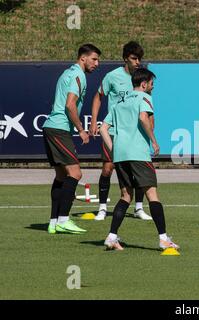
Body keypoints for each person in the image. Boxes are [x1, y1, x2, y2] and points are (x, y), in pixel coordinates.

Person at [99, 68, 179, 251]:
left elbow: (103, 129)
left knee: (126, 196)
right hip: (138, 154)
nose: (152, 87)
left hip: (121, 156)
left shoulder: (119, 101)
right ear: (144, 84)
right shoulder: (145, 98)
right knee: (152, 195)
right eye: (152, 84)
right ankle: (164, 239)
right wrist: (154, 140)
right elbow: (143, 118)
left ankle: (111, 237)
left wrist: (115, 149)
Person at [89, 41, 152, 221]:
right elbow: (98, 97)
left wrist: (151, 126)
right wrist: (94, 121)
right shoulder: (112, 76)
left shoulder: (143, 78)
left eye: (140, 58)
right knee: (108, 168)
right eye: (134, 58)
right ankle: (102, 208)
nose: (137, 62)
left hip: (136, 132)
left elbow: (147, 105)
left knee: (137, 170)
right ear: (125, 58)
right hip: (115, 131)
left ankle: (139, 208)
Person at [43, 44, 101, 234]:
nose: (97, 63)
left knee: (61, 176)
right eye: (94, 59)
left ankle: (53, 222)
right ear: (82, 58)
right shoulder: (78, 76)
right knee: (76, 174)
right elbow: (70, 105)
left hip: (52, 128)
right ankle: (64, 219)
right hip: (59, 129)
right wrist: (81, 130)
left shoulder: (68, 73)